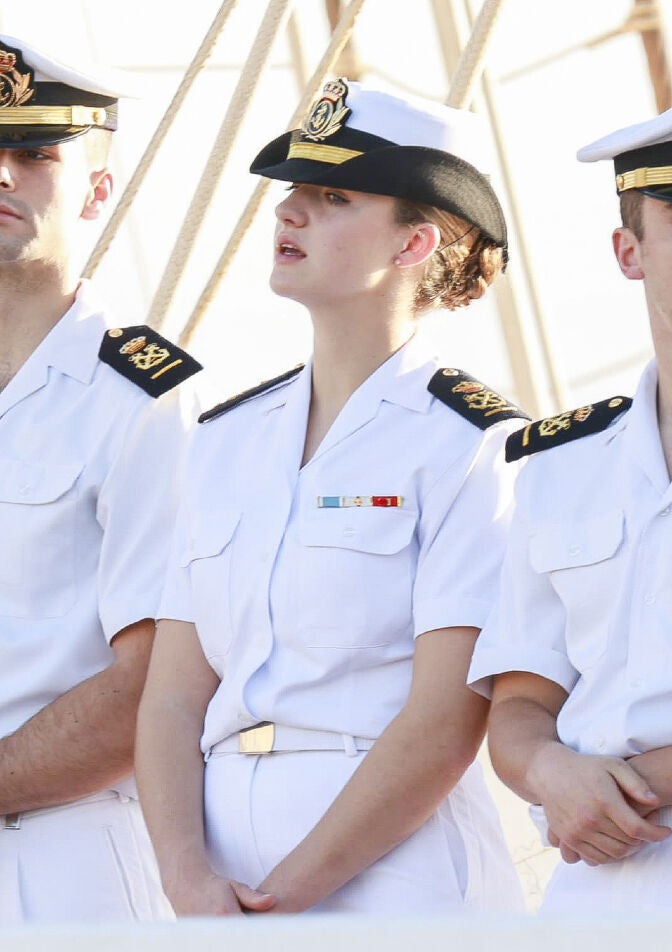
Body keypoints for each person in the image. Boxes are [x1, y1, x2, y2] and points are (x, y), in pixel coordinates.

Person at [135, 77, 529, 916]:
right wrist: (184, 878)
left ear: (415, 244)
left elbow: (443, 719)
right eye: (292, 193)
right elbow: (172, 697)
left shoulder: (472, 443)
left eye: (332, 196)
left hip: (395, 883)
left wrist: (283, 899)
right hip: (218, 875)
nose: (289, 213)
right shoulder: (226, 440)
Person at [468, 78, 672, 914]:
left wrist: (612, 790)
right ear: (629, 252)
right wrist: (551, 775)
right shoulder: (562, 459)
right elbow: (521, 699)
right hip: (592, 893)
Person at [0, 34, 201, 922]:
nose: (2, 176)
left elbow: (153, 686)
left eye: (36, 154)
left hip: (62, 860)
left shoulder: (148, 402)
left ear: (97, 188)